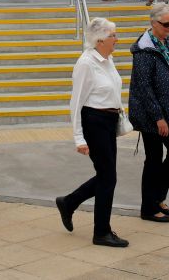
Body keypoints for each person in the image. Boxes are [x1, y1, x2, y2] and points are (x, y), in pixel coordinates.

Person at [55, 18, 129, 248]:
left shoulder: (108, 59)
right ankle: (101, 232)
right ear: (99, 40)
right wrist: (79, 138)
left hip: (109, 121)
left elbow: (113, 90)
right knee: (108, 177)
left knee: (107, 176)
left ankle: (69, 202)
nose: (117, 39)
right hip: (94, 122)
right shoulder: (86, 63)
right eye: (113, 35)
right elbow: (76, 102)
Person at [129, 3, 169, 223]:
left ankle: (157, 197)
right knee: (154, 159)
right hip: (151, 114)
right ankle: (149, 207)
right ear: (153, 23)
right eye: (166, 24)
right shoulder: (144, 49)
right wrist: (158, 118)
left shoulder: (165, 41)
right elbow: (143, 87)